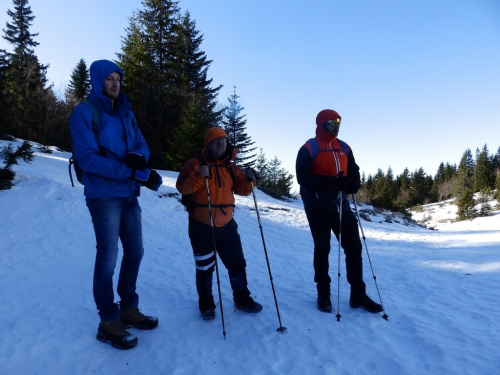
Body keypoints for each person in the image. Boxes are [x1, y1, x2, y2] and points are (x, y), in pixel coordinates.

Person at [69, 60, 163, 350]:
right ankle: (108, 321)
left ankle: (128, 308)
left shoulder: (126, 112)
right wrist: (132, 171)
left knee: (135, 251)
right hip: (103, 195)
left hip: (128, 195)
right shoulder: (85, 112)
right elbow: (86, 159)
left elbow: (142, 144)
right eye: (108, 78)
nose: (114, 84)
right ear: (98, 81)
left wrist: (138, 157)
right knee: (108, 257)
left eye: (118, 79)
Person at [295, 109, 383, 314]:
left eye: (339, 121)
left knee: (354, 248)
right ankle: (323, 293)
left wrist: (353, 184)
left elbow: (354, 172)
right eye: (332, 121)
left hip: (341, 206)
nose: (336, 124)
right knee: (322, 248)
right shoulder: (309, 147)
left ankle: (358, 295)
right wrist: (334, 183)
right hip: (317, 207)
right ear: (321, 123)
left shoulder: (344, 147)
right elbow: (304, 178)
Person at [176, 127, 263, 320]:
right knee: (205, 268)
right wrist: (199, 177)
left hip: (227, 225)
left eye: (223, 140)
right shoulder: (195, 164)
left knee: (237, 264)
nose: (220, 143)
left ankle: (242, 299)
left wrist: (250, 180)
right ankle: (206, 304)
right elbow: (182, 187)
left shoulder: (231, 167)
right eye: (216, 140)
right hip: (201, 226)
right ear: (208, 144)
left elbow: (243, 190)